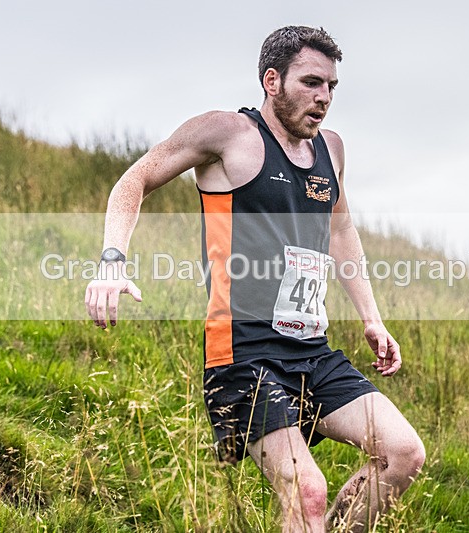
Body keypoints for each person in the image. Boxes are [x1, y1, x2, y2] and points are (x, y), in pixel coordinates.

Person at [85, 25, 425, 533]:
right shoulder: (226, 135)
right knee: (308, 491)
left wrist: (371, 319)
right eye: (311, 82)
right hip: (243, 352)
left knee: (403, 454)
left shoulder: (331, 150)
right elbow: (135, 178)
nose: (324, 97)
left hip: (313, 350)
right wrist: (113, 261)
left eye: (331, 86)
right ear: (272, 80)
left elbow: (341, 227)